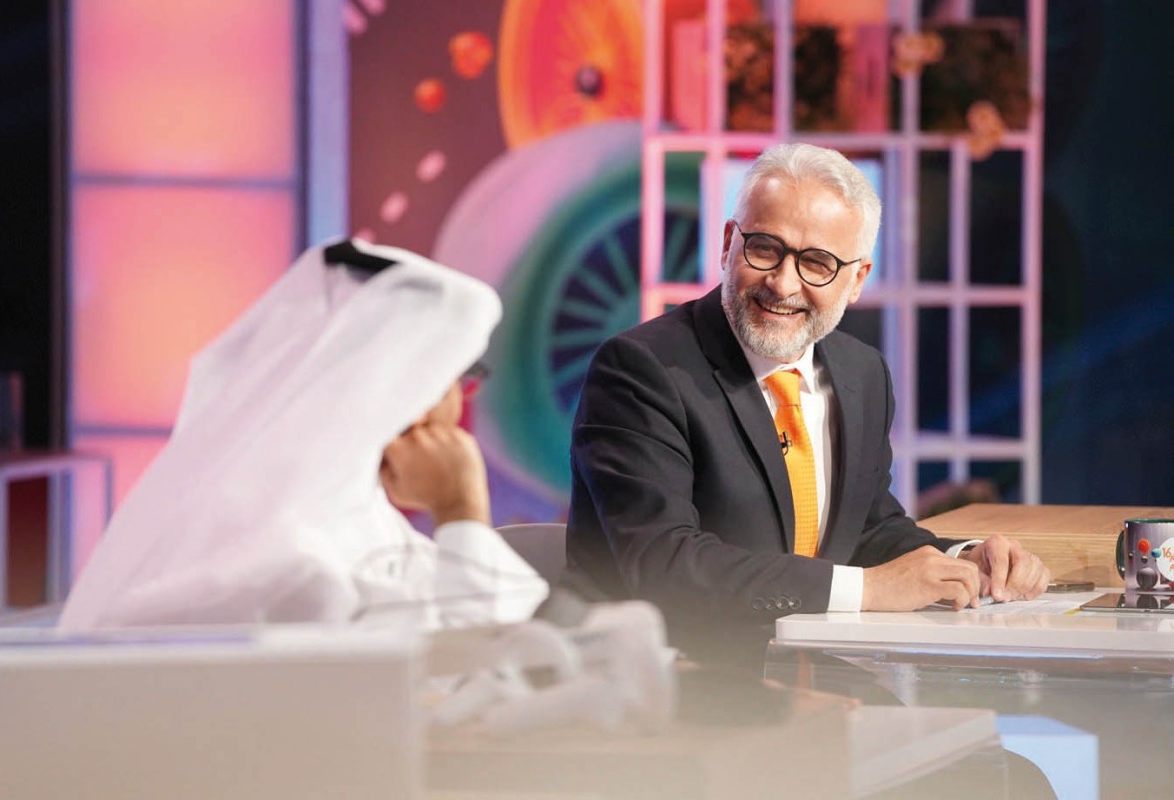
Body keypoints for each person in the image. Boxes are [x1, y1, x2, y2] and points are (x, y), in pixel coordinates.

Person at [566, 143, 1050, 660]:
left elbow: (867, 528)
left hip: (814, 675)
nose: (783, 282)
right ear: (729, 243)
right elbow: (664, 565)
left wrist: (963, 563)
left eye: (817, 262)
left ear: (857, 279)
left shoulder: (861, 372)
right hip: (671, 688)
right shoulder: (643, 369)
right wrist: (869, 590)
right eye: (765, 248)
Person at [60, 242, 547, 631]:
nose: (457, 407)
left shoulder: (324, 511)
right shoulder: (292, 564)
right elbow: (476, 670)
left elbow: (518, 615)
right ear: (410, 391)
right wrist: (460, 511)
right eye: (455, 381)